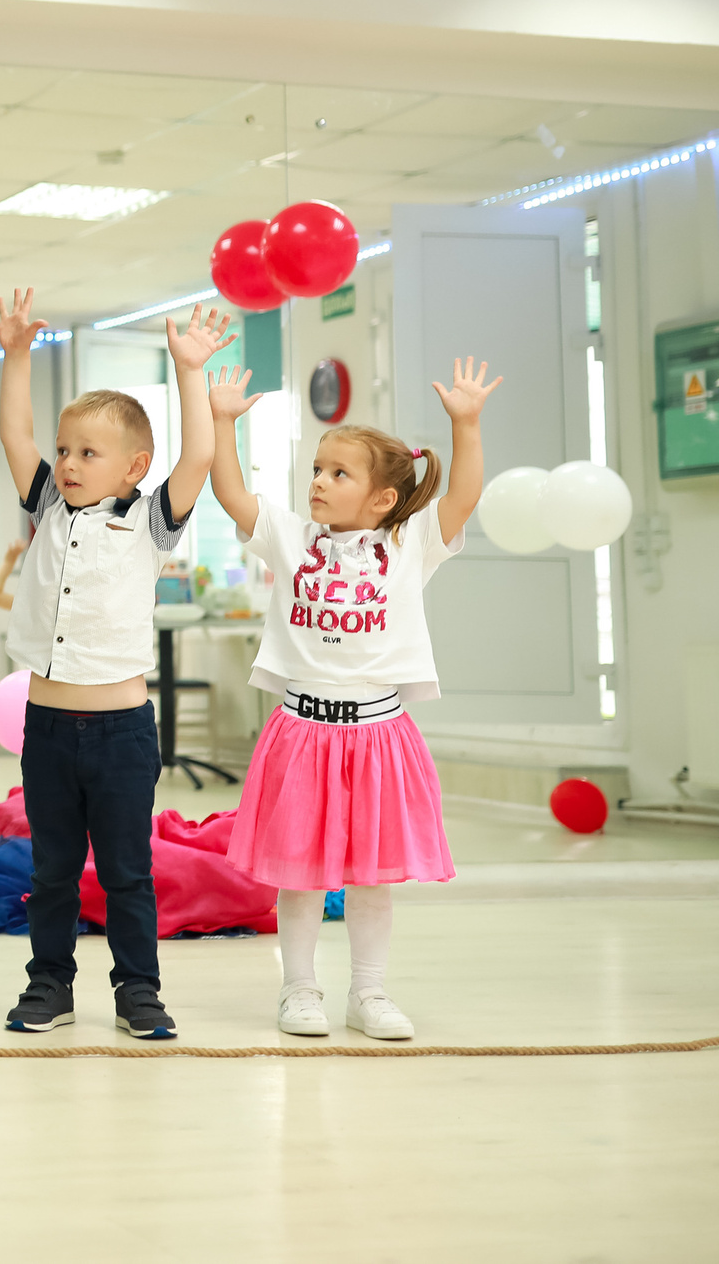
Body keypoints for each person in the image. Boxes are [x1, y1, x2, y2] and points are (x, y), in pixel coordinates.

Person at [208, 356, 499, 1042]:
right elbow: (229, 491)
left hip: (378, 734)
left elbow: (462, 494)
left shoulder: (410, 542)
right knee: (301, 876)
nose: (318, 482)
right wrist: (222, 422)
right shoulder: (290, 537)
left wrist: (467, 424)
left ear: (382, 500)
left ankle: (368, 992)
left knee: (373, 877)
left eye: (339, 474)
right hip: (302, 730)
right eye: (316, 468)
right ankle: (299, 989)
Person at [0, 290, 230, 1040]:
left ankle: (139, 991)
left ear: (134, 466)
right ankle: (49, 985)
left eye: (88, 454)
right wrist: (18, 354)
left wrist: (190, 371)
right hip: (50, 726)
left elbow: (198, 456)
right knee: (52, 871)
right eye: (65, 450)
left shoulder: (149, 522)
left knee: (127, 871)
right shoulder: (47, 509)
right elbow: (16, 431)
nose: (66, 463)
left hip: (123, 731)